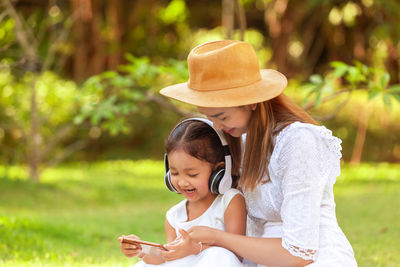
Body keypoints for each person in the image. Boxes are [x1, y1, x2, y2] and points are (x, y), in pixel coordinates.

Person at [159, 40, 357, 266]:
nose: (216, 127)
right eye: (208, 116)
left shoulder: (298, 142)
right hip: (256, 258)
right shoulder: (238, 139)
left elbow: (300, 253)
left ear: (252, 102)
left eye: (221, 116)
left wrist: (217, 238)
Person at [118, 118, 247, 267]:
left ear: (218, 172)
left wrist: (195, 249)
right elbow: (167, 259)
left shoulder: (230, 201)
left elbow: (236, 255)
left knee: (218, 254)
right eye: (174, 173)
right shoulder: (174, 215)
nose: (182, 182)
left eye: (192, 174)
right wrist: (142, 250)